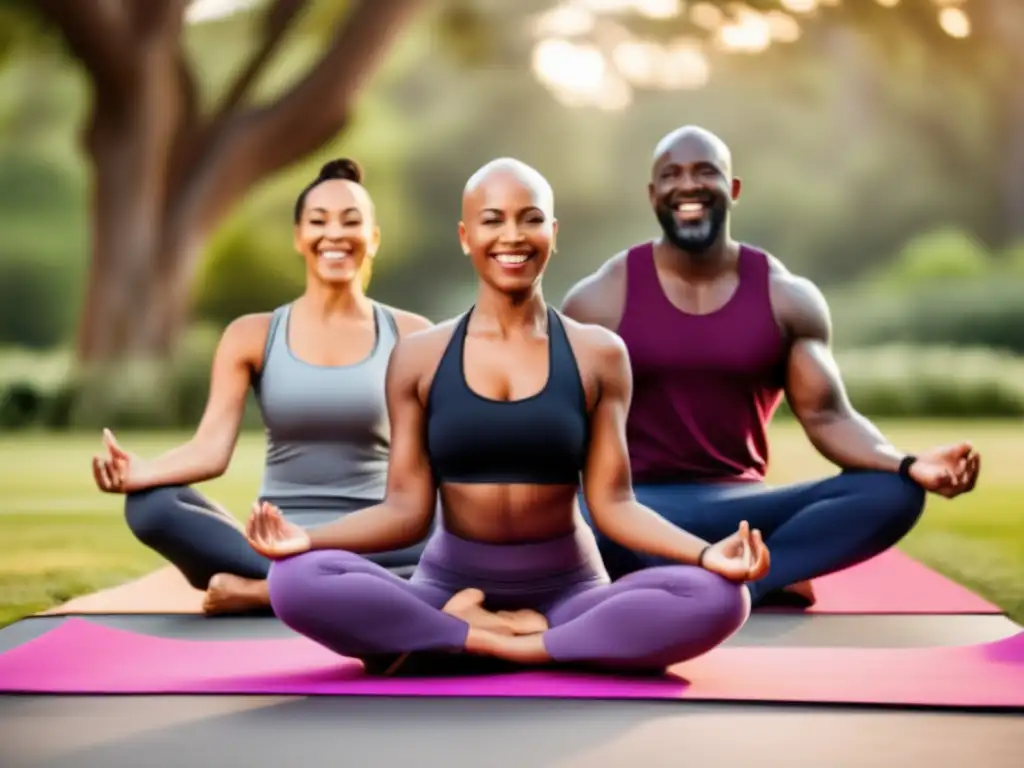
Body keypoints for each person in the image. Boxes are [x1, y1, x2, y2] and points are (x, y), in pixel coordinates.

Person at [242, 157, 768, 675]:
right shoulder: (421, 357)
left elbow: (614, 504)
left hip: (569, 589)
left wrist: (705, 556)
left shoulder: (598, 354)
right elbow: (405, 510)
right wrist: (307, 541)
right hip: (447, 587)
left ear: (553, 232)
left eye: (530, 218)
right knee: (294, 579)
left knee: (722, 598)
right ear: (466, 235)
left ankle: (497, 645)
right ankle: (488, 636)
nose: (512, 236)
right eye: (492, 220)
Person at [560, 125, 982, 607]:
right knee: (564, 513)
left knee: (894, 493)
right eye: (671, 175)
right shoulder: (599, 300)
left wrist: (908, 464)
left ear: (733, 189)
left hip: (744, 507)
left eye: (706, 172)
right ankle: (724, 571)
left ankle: (747, 578)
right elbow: (566, 426)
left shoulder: (787, 297)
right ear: (653, 194)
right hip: (633, 506)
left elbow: (829, 416)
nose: (688, 185)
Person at [91, 158, 433, 615]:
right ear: (299, 237)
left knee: (456, 530)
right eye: (318, 221)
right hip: (273, 541)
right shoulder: (251, 335)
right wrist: (142, 472)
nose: (335, 234)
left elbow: (434, 467)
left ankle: (267, 593)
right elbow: (210, 450)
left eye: (351, 222)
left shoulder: (414, 335)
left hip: (377, 541)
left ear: (372, 239)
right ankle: (321, 586)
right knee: (151, 507)